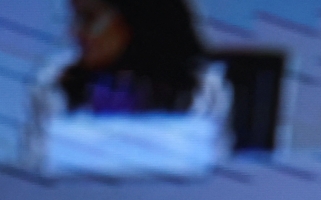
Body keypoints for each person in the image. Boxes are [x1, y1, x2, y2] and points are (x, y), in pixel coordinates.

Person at [20, 0, 230, 171]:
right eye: (74, 18)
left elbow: (213, 176)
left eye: (88, 18)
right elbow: (36, 170)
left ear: (135, 16)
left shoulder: (201, 87)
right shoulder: (56, 83)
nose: (75, 32)